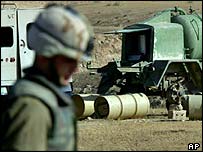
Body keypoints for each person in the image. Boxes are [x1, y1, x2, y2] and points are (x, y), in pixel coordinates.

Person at [0, 3, 94, 151]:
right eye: (68, 60)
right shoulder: (32, 105)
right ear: (45, 55)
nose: (75, 69)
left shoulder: (49, 96)